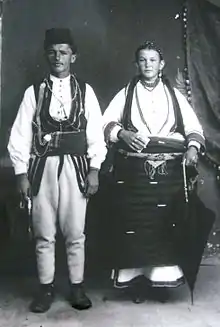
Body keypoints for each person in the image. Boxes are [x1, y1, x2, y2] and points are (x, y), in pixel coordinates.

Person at [8, 28, 106, 312]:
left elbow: (96, 136)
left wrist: (94, 169)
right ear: (46, 56)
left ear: (73, 56)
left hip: (76, 168)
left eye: (63, 52)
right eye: (52, 52)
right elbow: (20, 136)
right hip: (42, 170)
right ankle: (45, 288)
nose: (58, 57)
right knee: (43, 231)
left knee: (75, 231)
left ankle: (77, 287)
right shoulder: (34, 93)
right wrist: (21, 173)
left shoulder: (86, 92)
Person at [102, 41, 205, 303]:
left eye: (152, 60)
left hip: (169, 174)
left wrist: (192, 148)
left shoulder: (174, 94)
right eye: (143, 60)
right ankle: (137, 283)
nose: (148, 65)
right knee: (137, 228)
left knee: (163, 226)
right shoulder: (126, 92)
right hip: (134, 174)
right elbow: (106, 123)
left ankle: (160, 283)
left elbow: (194, 128)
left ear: (162, 64)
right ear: (136, 64)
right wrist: (122, 132)